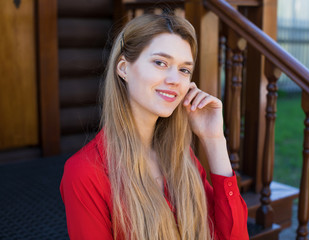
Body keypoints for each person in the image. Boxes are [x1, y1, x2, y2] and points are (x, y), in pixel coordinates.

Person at [60, 13, 249, 240]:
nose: (175, 79)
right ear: (123, 69)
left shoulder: (182, 157)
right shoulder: (85, 173)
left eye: (184, 69)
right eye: (160, 63)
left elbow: (234, 236)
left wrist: (214, 139)